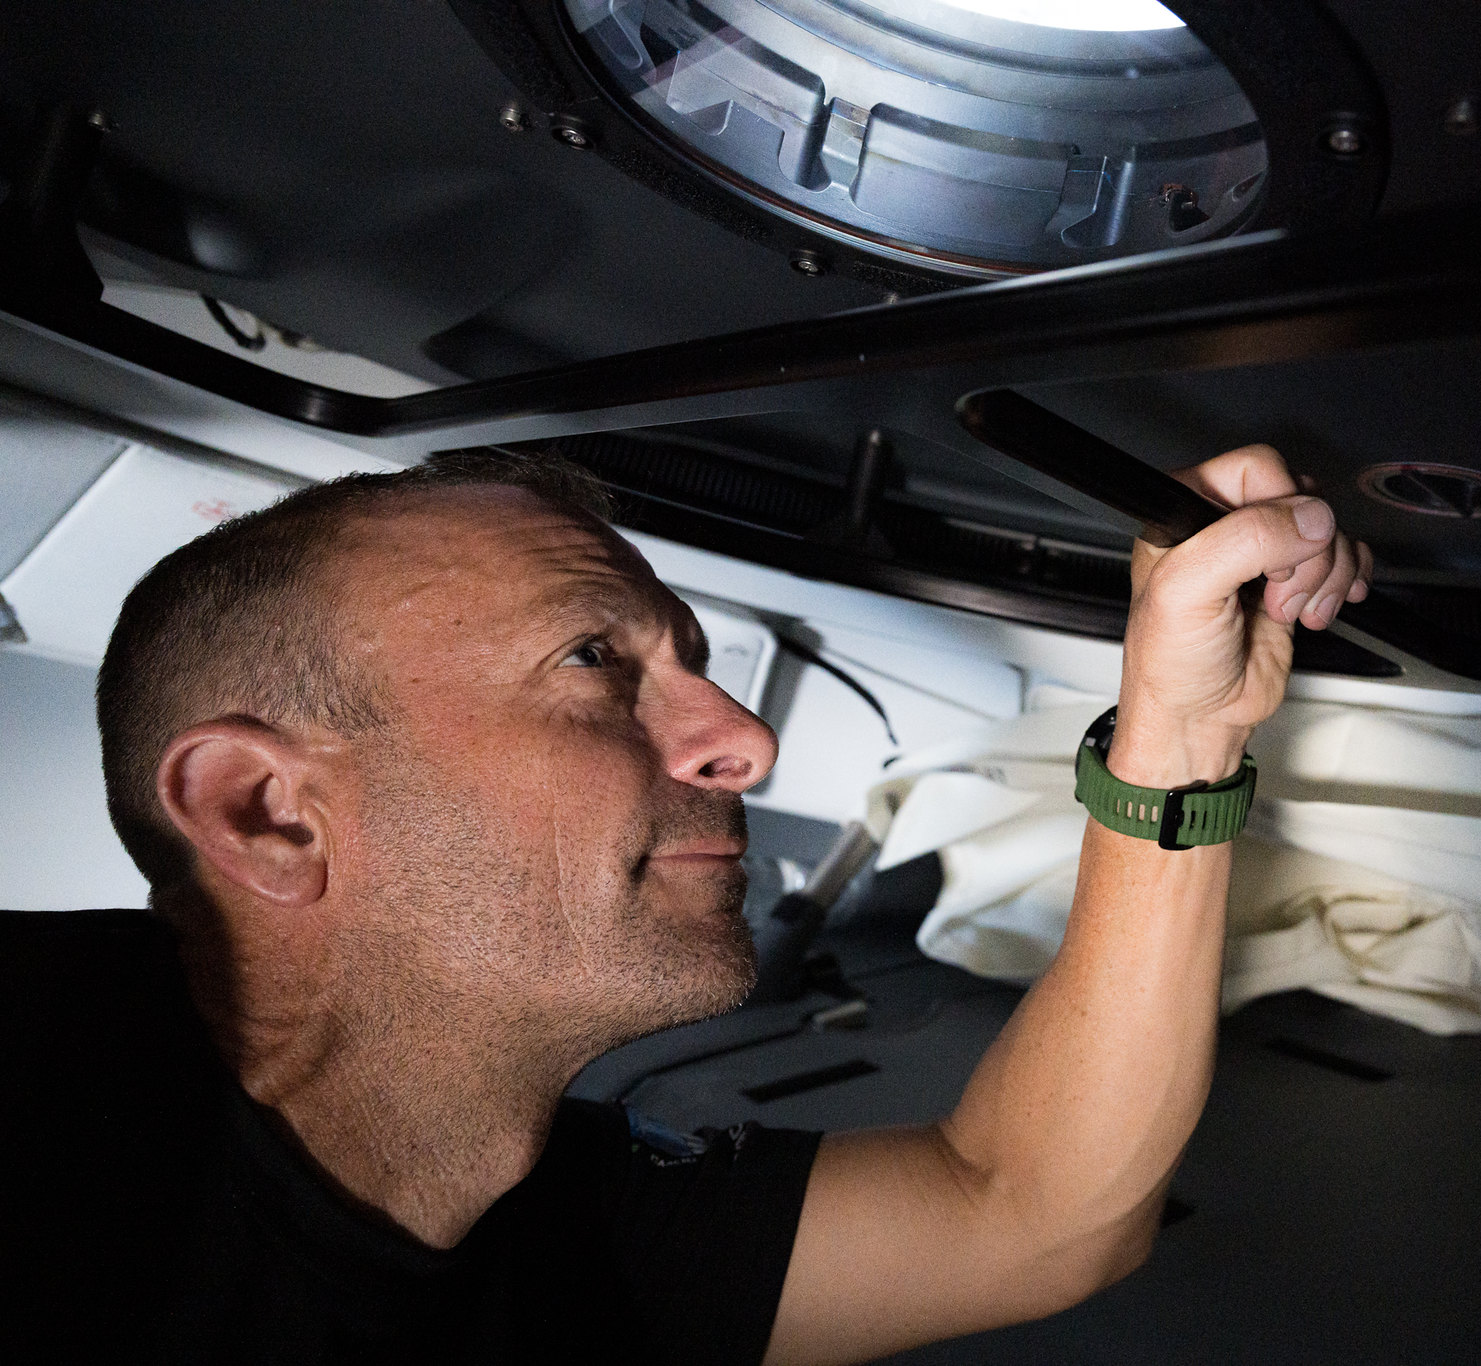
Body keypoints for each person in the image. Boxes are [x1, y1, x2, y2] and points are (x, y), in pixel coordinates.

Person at [0, 443, 1368, 1364]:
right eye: (596, 655)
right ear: (268, 811)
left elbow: (1022, 1208)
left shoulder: (556, 1228)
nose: (742, 742)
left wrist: (1179, 737)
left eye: (693, 663)